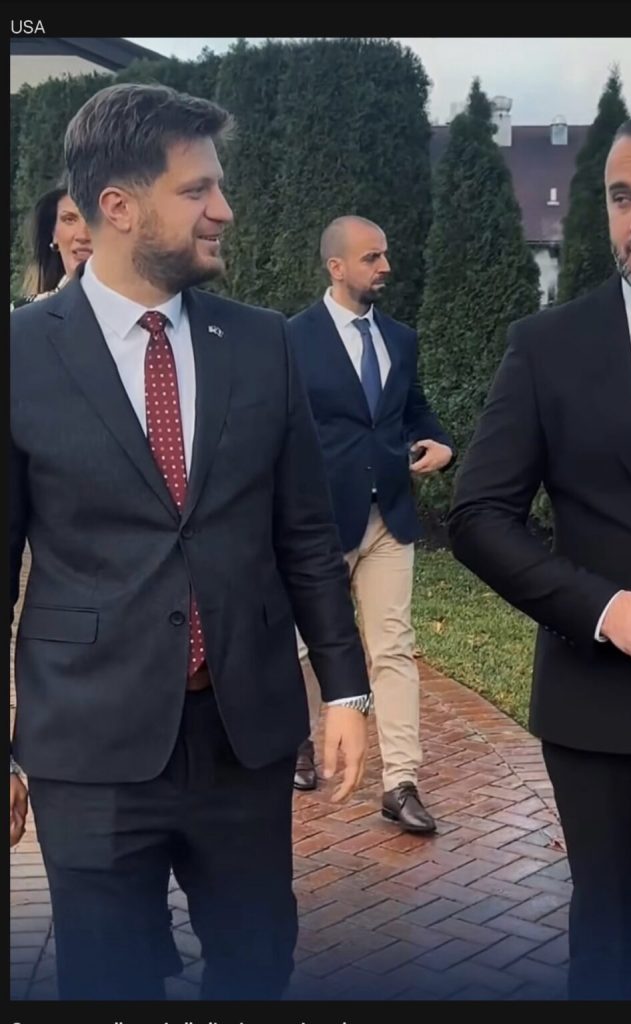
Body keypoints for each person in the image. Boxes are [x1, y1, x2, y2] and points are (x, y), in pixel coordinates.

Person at [9, 82, 371, 1002]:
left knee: (258, 962)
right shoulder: (21, 354)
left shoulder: (260, 344)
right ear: (119, 206)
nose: (224, 209)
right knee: (107, 980)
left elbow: (304, 533)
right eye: (197, 189)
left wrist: (345, 689)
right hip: (87, 744)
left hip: (241, 734)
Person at [447, 113, 631, 1001]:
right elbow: (478, 516)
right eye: (621, 197)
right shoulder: (549, 346)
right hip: (600, 712)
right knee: (606, 947)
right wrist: (607, 610)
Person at [288, 216, 455, 833]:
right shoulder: (292, 338)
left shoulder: (400, 339)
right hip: (319, 522)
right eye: (371, 258)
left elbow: (414, 410)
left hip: (390, 517)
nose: (385, 267)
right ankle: (299, 743)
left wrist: (439, 442)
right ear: (336, 267)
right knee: (300, 644)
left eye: (384, 255)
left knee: (394, 648)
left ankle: (400, 782)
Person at [11, 182, 92, 308]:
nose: (83, 236)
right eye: (69, 219)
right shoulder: (19, 316)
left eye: (93, 220)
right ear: (53, 233)